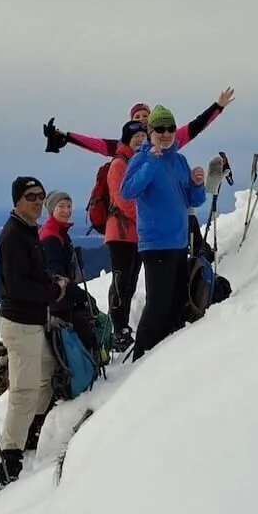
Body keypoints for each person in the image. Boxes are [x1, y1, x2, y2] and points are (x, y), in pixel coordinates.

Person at [0, 176, 66, 487]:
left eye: (40, 195)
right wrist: (52, 292)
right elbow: (18, 286)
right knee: (23, 390)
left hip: (31, 321)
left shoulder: (27, 231)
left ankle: (30, 433)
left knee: (46, 374)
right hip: (20, 323)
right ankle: (10, 460)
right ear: (17, 201)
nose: (37, 201)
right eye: (30, 196)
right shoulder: (13, 236)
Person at [119, 105, 206, 361]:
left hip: (178, 242)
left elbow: (191, 199)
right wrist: (151, 163)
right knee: (158, 305)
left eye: (170, 129)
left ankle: (163, 358)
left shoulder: (179, 160)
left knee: (176, 301)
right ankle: (140, 361)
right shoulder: (142, 159)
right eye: (160, 129)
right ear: (150, 131)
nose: (166, 134)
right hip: (155, 244)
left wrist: (198, 184)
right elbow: (127, 192)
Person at [42, 91, 234, 157]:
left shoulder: (169, 137)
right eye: (137, 116)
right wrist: (67, 136)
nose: (142, 119)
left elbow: (197, 125)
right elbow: (95, 144)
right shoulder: (123, 146)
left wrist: (218, 106)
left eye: (145, 116)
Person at [38, 190, 98, 355]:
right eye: (61, 206)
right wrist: (81, 296)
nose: (67, 210)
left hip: (58, 299)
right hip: (57, 301)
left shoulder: (58, 232)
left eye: (69, 206)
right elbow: (57, 275)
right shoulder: (51, 236)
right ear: (52, 209)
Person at [105, 121, 146, 350]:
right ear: (126, 139)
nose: (140, 139)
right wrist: (146, 219)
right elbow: (123, 200)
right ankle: (119, 330)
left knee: (129, 282)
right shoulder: (119, 163)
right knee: (121, 282)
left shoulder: (138, 161)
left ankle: (123, 328)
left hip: (135, 234)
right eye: (136, 136)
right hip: (120, 233)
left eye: (143, 135)